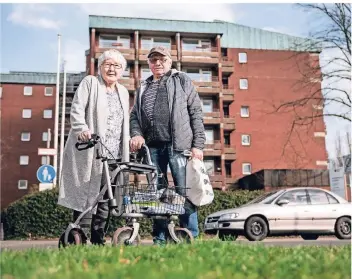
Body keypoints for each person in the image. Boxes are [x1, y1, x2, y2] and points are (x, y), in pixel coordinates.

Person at [130, 46, 206, 244]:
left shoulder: (181, 80)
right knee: (157, 195)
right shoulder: (143, 87)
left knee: (184, 192)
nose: (158, 63)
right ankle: (160, 239)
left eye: (162, 59)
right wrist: (137, 134)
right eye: (154, 60)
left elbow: (196, 112)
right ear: (149, 64)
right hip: (153, 149)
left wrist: (198, 145)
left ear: (170, 61)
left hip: (179, 147)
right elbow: (134, 117)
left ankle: (189, 236)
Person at [58, 49, 130, 245]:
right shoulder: (90, 82)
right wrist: (81, 128)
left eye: (116, 66)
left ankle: (98, 238)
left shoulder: (123, 92)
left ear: (122, 70)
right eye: (108, 64)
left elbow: (125, 122)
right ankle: (79, 236)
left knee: (107, 198)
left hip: (114, 153)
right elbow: (77, 108)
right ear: (100, 67)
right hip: (91, 149)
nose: (112, 69)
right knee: (86, 193)